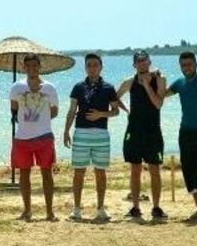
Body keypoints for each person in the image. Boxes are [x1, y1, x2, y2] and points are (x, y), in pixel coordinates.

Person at [62, 53, 119, 222]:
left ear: (101, 67)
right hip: (81, 133)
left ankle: (100, 208)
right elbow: (72, 110)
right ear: (85, 68)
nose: (92, 68)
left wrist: (101, 114)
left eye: (95, 65)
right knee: (78, 172)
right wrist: (66, 131)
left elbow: (115, 111)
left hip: (101, 134)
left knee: (100, 172)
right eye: (89, 65)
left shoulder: (108, 88)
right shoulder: (78, 87)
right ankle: (77, 209)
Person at [163, 52, 197, 223]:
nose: (186, 68)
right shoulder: (179, 83)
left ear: (196, 64)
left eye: (189, 64)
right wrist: (152, 80)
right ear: (180, 66)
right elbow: (161, 95)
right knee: (189, 171)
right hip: (185, 133)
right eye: (183, 65)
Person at [116, 51, 168, 221]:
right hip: (135, 130)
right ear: (134, 65)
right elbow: (113, 98)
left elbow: (158, 104)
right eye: (139, 61)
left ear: (149, 62)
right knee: (135, 169)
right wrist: (126, 110)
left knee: (155, 169)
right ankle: (136, 207)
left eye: (145, 61)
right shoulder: (129, 82)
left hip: (153, 130)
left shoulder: (160, 79)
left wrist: (147, 86)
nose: (142, 64)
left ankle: (156, 207)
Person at [9, 53, 60, 222]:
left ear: (40, 67)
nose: (32, 69)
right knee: (24, 174)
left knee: (47, 173)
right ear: (24, 68)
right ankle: (27, 210)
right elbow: (14, 109)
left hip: (44, 136)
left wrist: (40, 120)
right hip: (22, 137)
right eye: (29, 66)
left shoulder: (49, 88)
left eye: (35, 66)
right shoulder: (17, 87)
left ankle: (49, 212)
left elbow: (54, 111)